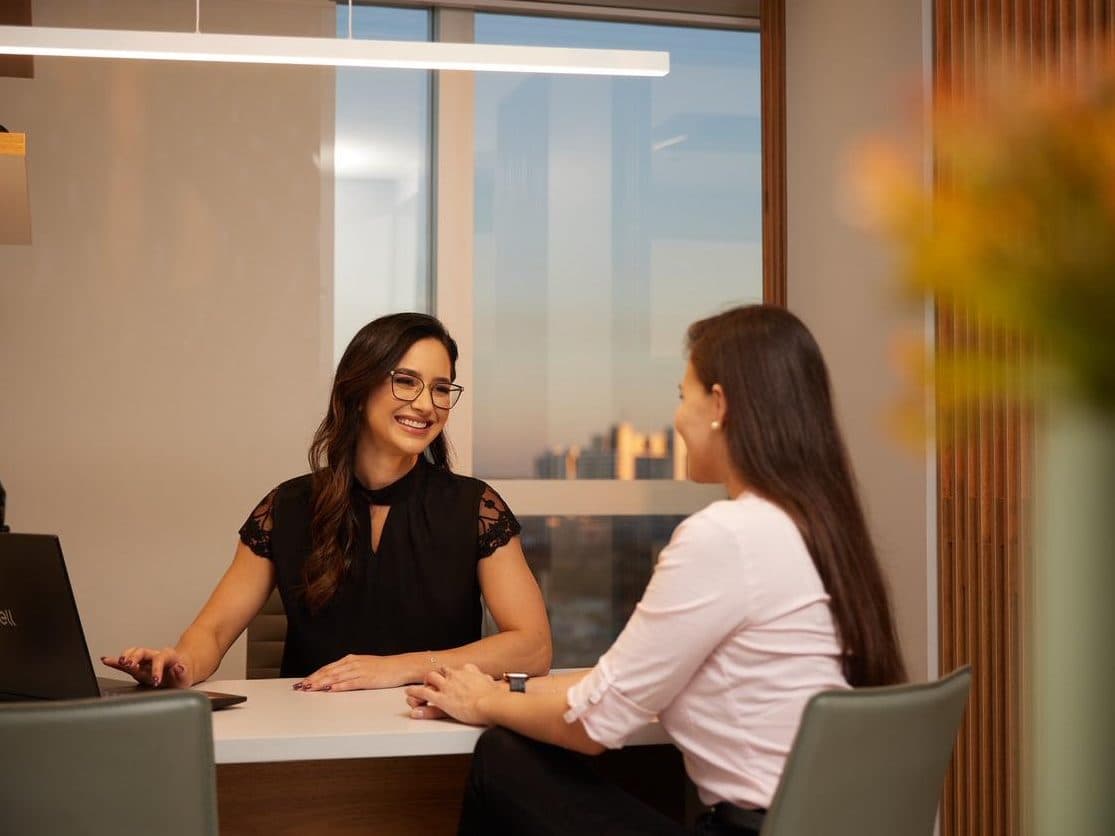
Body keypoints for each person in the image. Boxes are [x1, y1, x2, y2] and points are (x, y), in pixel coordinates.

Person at [405, 304, 907, 836]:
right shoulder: (819, 530)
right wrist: (512, 689)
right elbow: (620, 684)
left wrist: (483, 700)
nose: (677, 419)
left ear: (718, 405)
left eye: (681, 395)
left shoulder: (727, 536)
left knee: (503, 759)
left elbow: (594, 724)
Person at [102, 312, 552, 692]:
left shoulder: (475, 507)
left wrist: (401, 668)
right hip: (308, 741)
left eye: (440, 388)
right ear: (358, 390)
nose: (426, 404)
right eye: (406, 381)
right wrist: (174, 666)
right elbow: (213, 631)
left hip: (435, 734)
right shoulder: (286, 506)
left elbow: (533, 645)